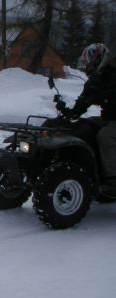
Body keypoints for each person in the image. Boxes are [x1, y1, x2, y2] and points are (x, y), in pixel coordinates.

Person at [59, 43, 116, 198]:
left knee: (105, 136)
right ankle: (98, 172)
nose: (87, 66)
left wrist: (105, 97)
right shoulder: (96, 78)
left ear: (99, 60)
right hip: (108, 118)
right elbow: (85, 99)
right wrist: (70, 112)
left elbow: (108, 96)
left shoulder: (113, 75)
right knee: (85, 127)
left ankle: (113, 179)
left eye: (89, 62)